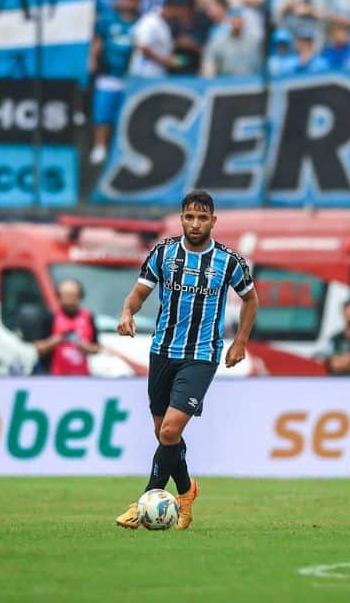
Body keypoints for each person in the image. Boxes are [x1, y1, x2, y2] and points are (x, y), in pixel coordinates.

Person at [114, 190, 259, 531]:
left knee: (169, 430)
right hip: (162, 351)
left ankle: (145, 501)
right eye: (189, 217)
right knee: (163, 434)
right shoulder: (163, 254)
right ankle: (186, 490)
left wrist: (240, 342)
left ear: (213, 221)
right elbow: (138, 294)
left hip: (201, 356)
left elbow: (251, 301)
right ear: (181, 219)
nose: (195, 224)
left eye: (202, 218)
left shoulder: (229, 261)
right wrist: (126, 312)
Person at [89, 0, 138, 165]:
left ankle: (121, 152)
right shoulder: (109, 21)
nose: (131, 3)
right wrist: (93, 58)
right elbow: (97, 41)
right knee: (102, 113)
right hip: (108, 73)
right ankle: (99, 147)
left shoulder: (141, 23)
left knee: (126, 117)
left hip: (130, 77)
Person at [35, 278, 100, 376]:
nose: (69, 300)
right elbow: (38, 348)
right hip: (54, 376)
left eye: (72, 296)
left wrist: (85, 346)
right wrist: (56, 340)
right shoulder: (51, 317)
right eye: (65, 296)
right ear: (59, 297)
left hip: (82, 375)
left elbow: (97, 348)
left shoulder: (88, 317)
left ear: (79, 297)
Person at [201, 7, 262, 77]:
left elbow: (260, 66)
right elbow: (208, 65)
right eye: (234, 20)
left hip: (250, 83)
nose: (237, 23)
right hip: (226, 83)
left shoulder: (253, 42)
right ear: (228, 22)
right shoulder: (218, 42)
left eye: (240, 20)